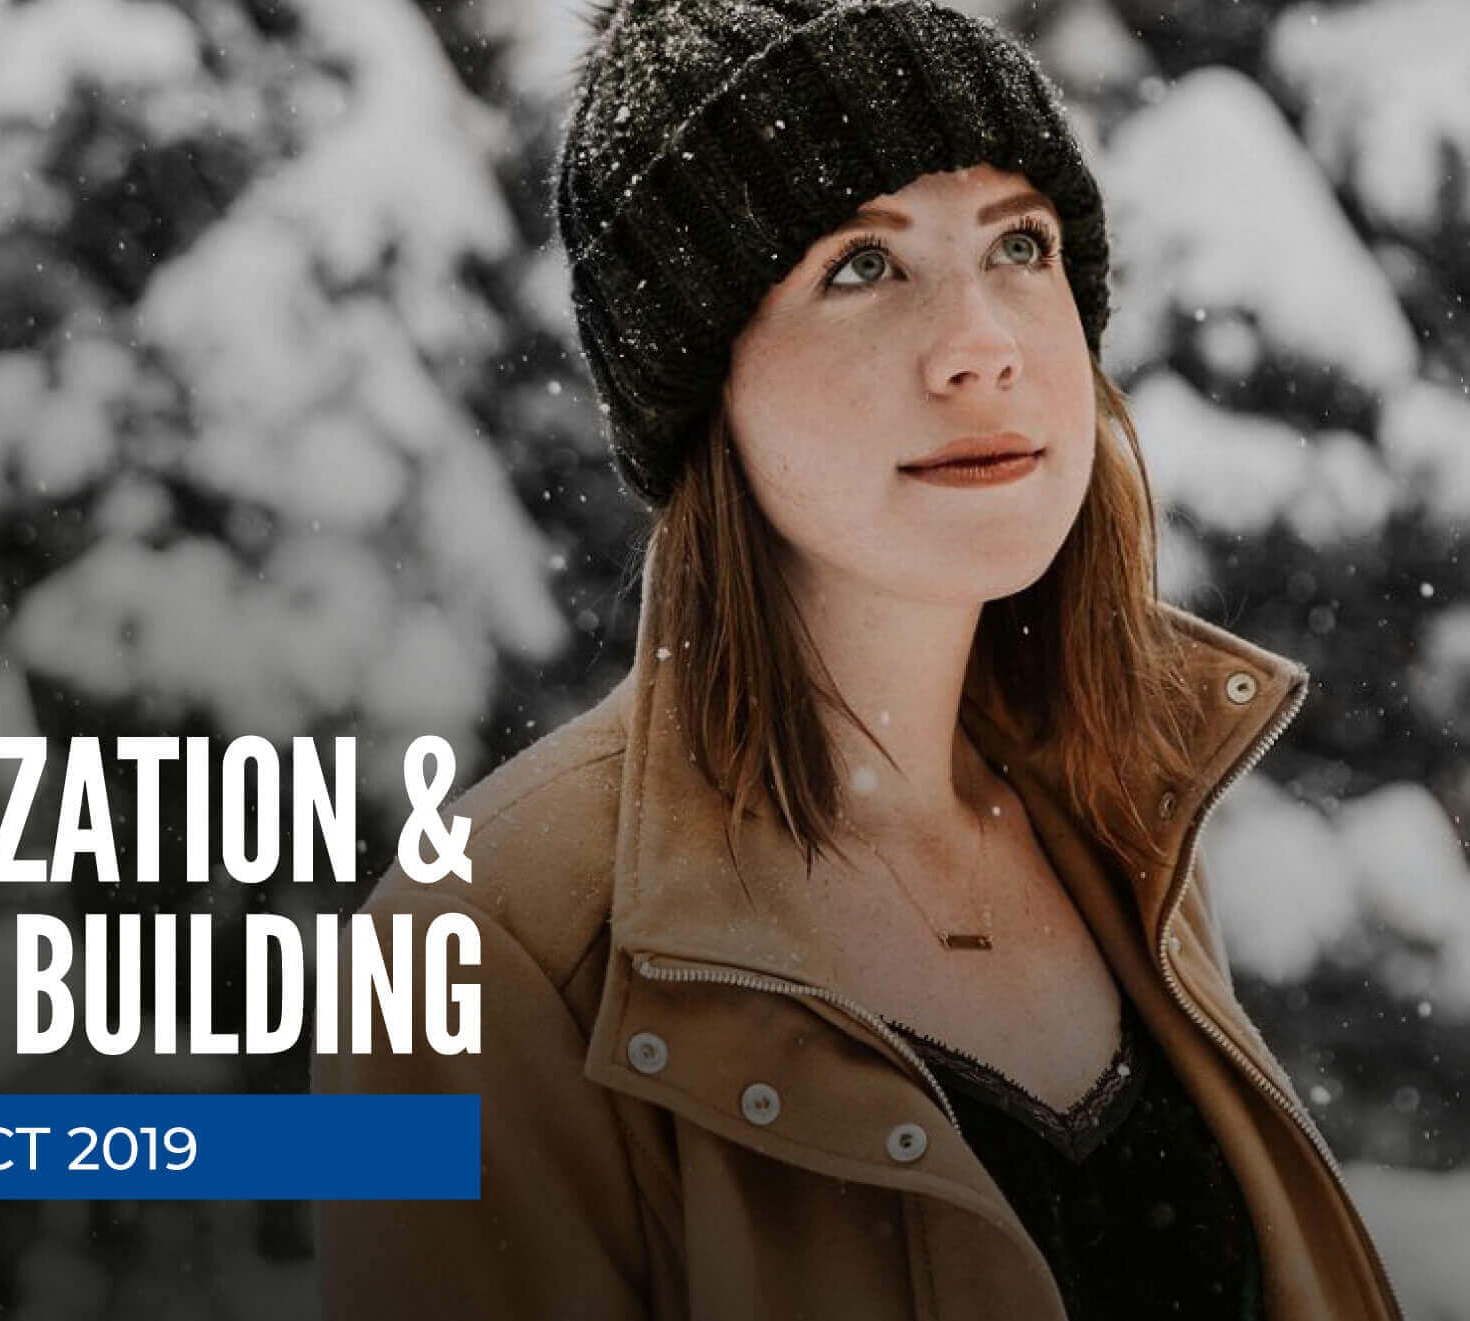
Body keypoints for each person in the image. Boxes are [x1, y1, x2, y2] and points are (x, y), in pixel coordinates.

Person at [313, 1, 1401, 1319]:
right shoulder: (491, 945)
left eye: (1019, 244)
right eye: (862, 266)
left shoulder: (1120, 805)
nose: (985, 343)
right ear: (701, 386)